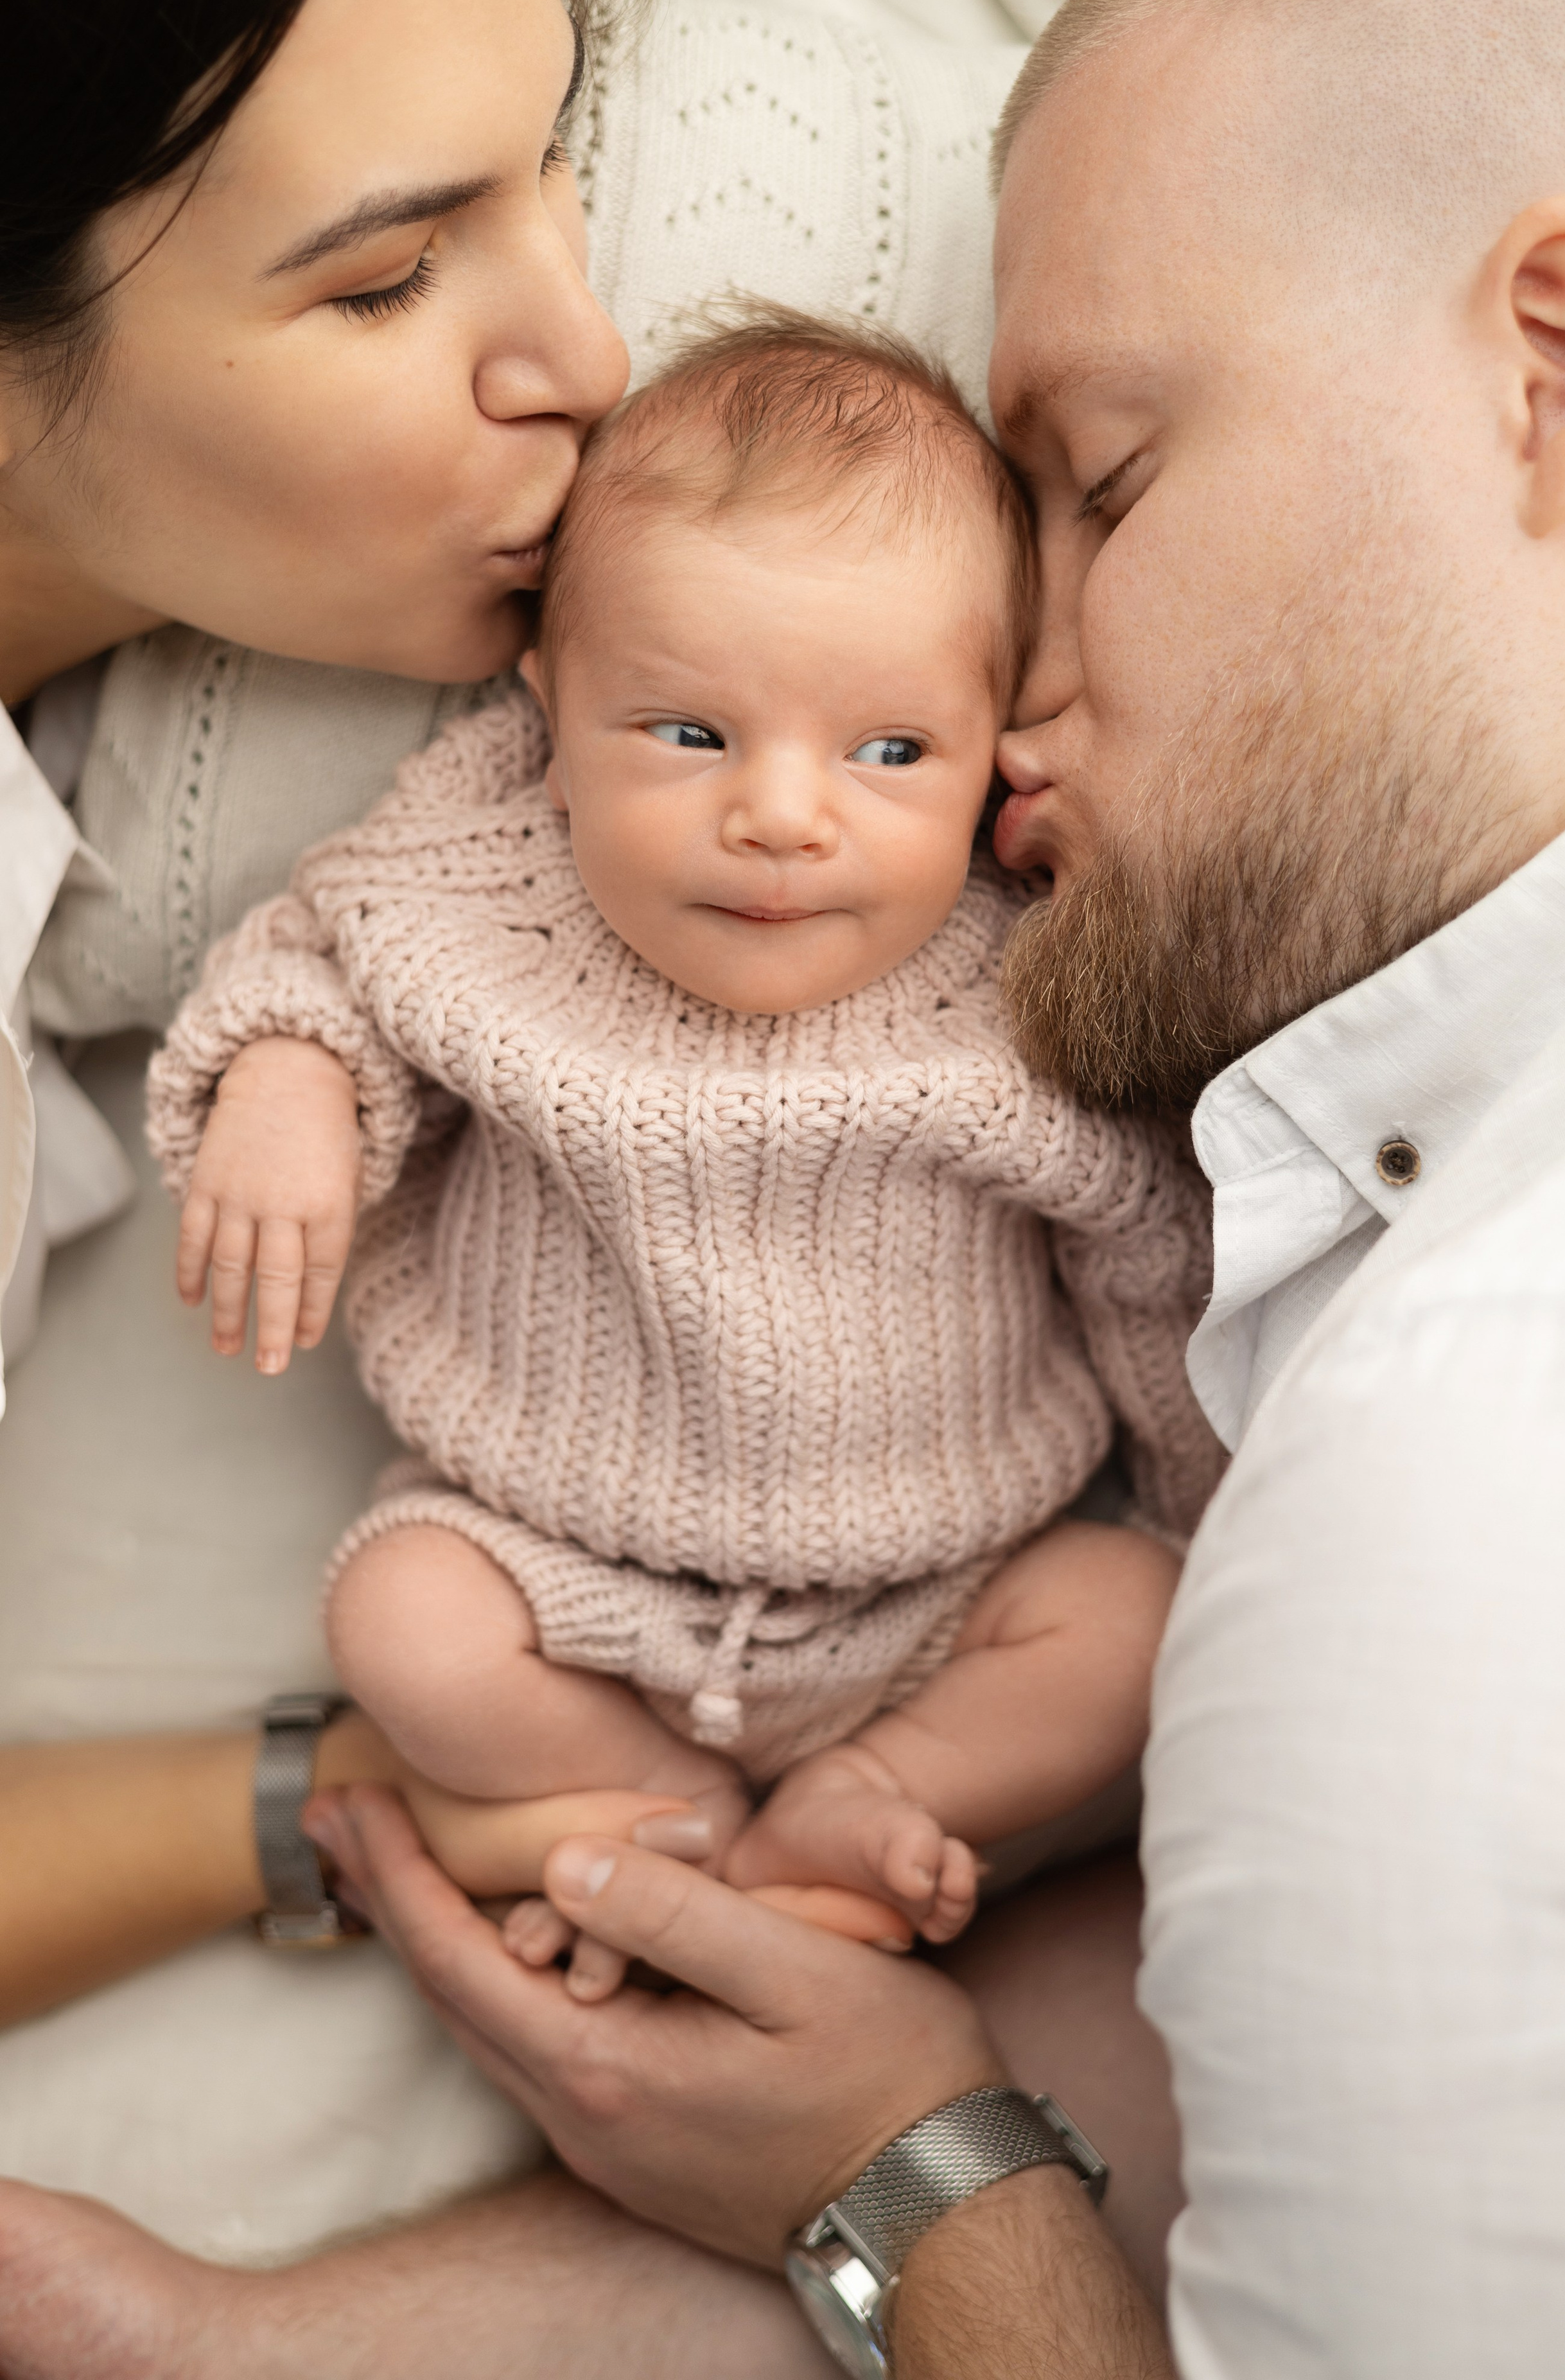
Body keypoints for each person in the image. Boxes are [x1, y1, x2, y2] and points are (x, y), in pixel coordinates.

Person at [9, 0, 1565, 2368]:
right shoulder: (1462, 1450)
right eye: (380, 280)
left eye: (1098, 482)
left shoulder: (1449, 1461)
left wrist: (905, 2163)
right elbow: (338, 967)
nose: (592, 358)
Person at [146, 314, 1218, 1976]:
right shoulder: (491, 884)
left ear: (996, 742)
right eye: (691, 734)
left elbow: (1148, 1249)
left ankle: (869, 1795)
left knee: (1133, 1630)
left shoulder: (1022, 983)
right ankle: (674, 1824)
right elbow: (326, 954)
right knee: (405, 1623)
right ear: (549, 712)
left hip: (938, 1594)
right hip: (566, 1576)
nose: (783, 815)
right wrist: (287, 1083)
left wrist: (1198, 1487)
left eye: (888, 752)